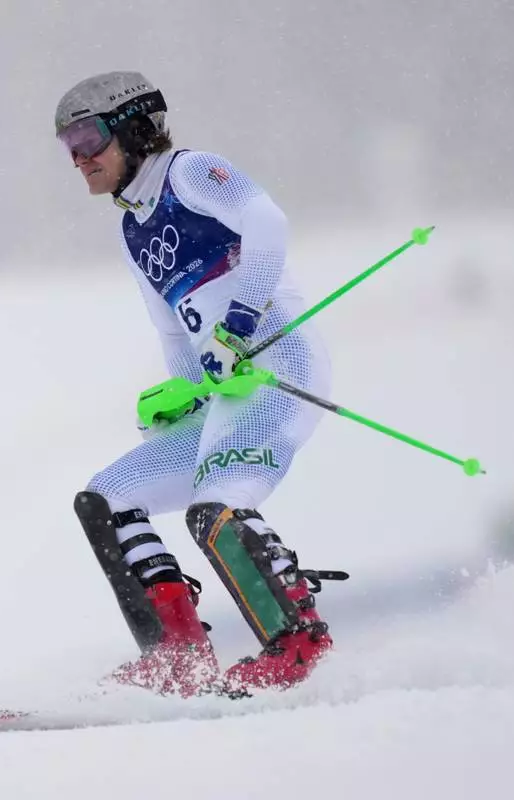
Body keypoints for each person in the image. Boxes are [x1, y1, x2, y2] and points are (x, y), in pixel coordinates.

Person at [55, 71, 343, 697]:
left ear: (133, 127)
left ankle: (297, 640)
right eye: (66, 145)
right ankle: (178, 662)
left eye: (87, 137)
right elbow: (174, 335)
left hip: (278, 359)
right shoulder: (133, 226)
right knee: (105, 501)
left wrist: (239, 325)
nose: (78, 158)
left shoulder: (189, 171)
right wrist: (184, 395)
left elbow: (268, 224)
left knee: (214, 507)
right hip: (232, 384)